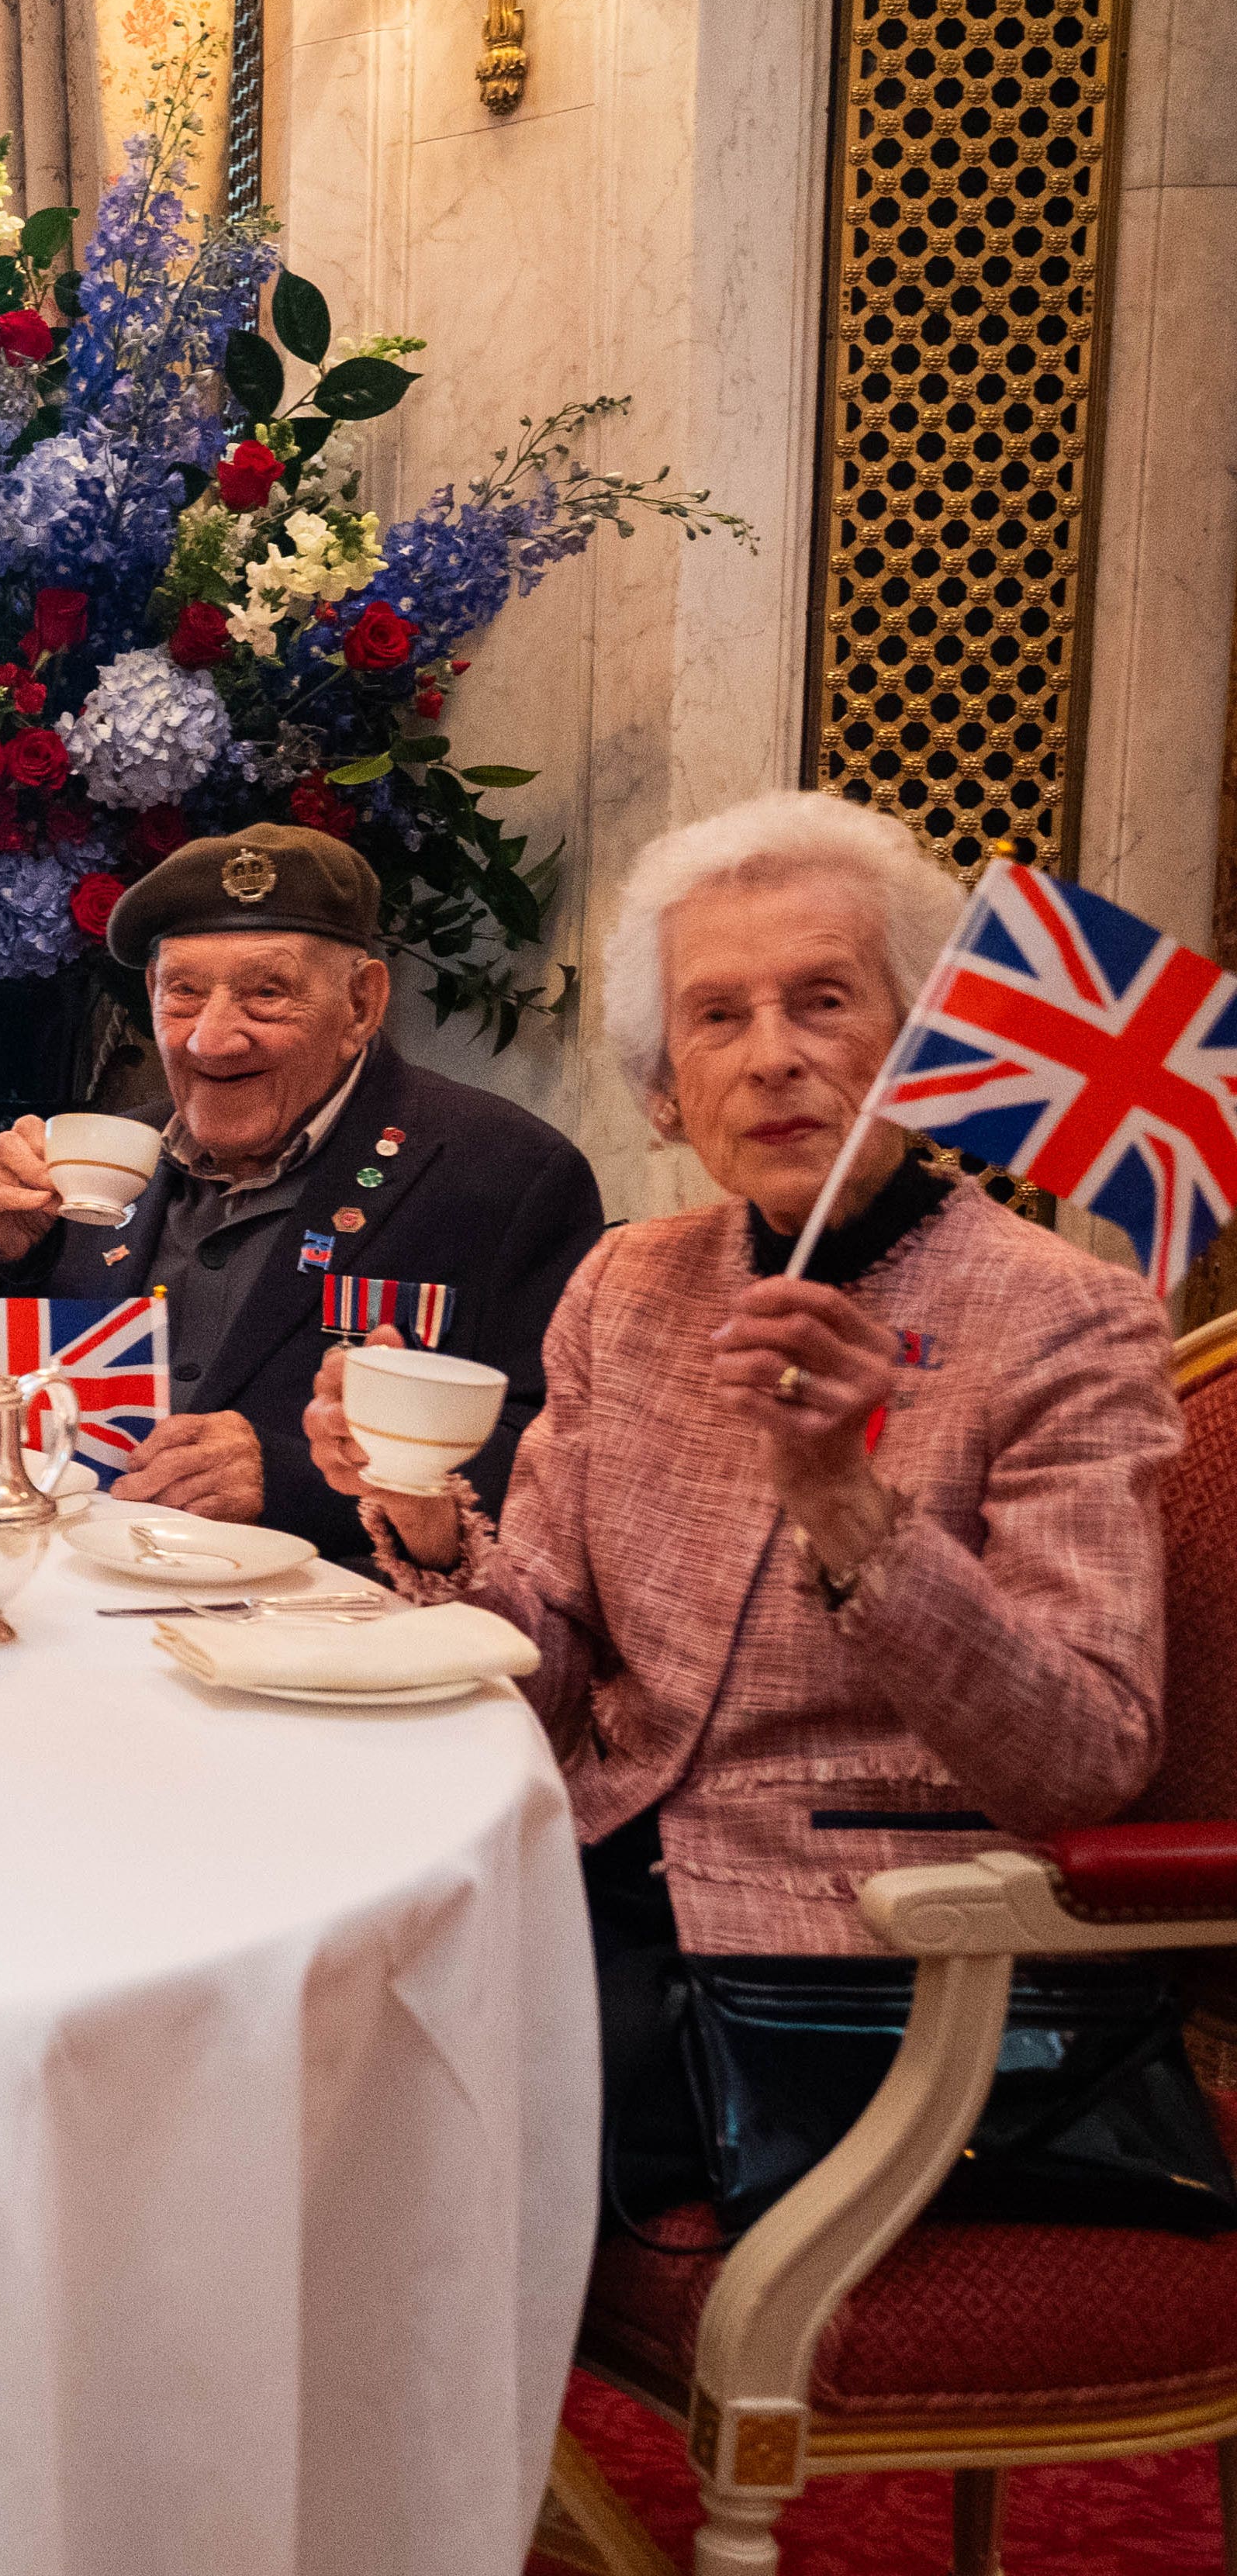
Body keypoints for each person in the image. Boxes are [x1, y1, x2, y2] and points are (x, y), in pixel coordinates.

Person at [310, 790, 1177, 1966]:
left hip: (861, 1935)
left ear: (925, 1040)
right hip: (588, 1879)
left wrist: (851, 1513)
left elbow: (1083, 1764)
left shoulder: (1067, 1319)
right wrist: (423, 1519)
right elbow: (547, 1681)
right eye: (717, 1017)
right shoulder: (625, 1284)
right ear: (666, 1092)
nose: (773, 1057)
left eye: (824, 1001)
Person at [0, 822, 603, 1547]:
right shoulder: (93, 1163)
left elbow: (565, 1466)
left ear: (361, 1006)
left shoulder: (505, 1174)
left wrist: (291, 1481)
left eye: (267, 993)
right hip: (76, 1600)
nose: (211, 1039)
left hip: (326, 1635)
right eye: (183, 993)